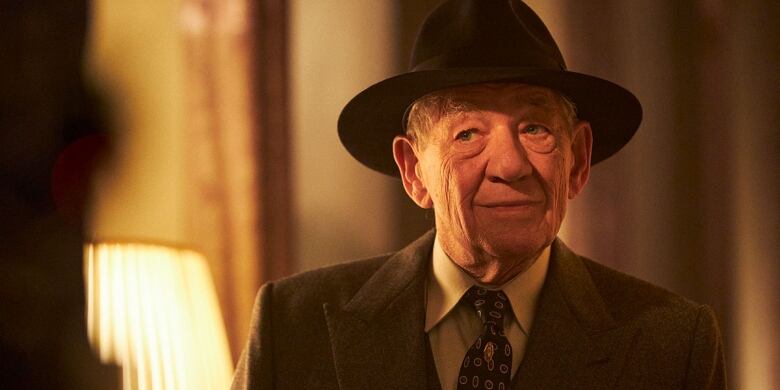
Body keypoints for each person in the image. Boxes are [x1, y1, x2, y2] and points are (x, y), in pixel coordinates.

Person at [232, 0, 726, 389]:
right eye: (467, 134)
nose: (510, 165)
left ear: (576, 160)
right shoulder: (293, 326)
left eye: (534, 128)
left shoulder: (672, 345)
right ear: (414, 171)